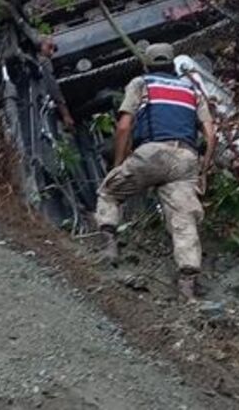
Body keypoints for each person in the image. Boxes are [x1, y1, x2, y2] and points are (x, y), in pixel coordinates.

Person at [93, 42, 216, 301]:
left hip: (152, 152)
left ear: (147, 64)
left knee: (110, 192)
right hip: (186, 158)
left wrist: (118, 163)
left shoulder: (141, 83)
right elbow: (210, 132)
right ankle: (188, 284)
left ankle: (109, 248)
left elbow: (125, 126)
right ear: (173, 65)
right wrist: (203, 167)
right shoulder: (191, 89)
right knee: (184, 219)